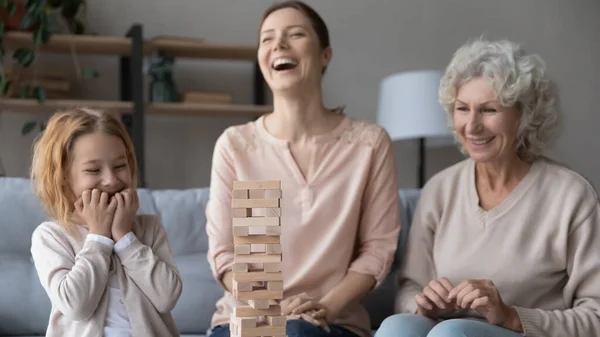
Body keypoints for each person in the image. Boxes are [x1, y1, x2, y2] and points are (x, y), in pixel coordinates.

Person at [375, 38, 600, 337]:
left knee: (451, 334)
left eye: (489, 110)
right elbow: (409, 288)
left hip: (521, 333)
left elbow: (596, 316)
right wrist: (423, 304)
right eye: (462, 108)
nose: (472, 126)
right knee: (397, 327)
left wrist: (511, 317)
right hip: (444, 331)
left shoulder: (571, 196)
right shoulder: (439, 190)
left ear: (524, 116)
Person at [205, 2, 401, 337]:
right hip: (247, 323)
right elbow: (224, 255)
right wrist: (271, 311)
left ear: (325, 54)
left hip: (334, 323)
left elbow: (377, 251)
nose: (278, 45)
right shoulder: (237, 146)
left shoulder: (368, 145)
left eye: (295, 34)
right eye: (267, 39)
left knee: (297, 332)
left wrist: (325, 307)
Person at [29, 108, 183, 337]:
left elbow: (167, 297)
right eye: (93, 170)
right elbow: (76, 306)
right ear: (62, 177)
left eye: (120, 166)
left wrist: (125, 236)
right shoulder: (51, 236)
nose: (111, 180)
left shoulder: (150, 227)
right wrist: (99, 236)